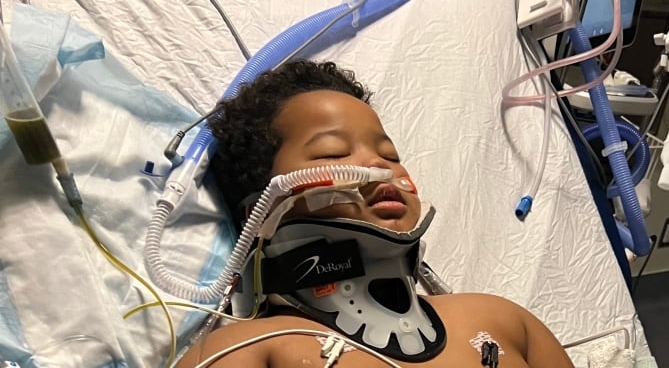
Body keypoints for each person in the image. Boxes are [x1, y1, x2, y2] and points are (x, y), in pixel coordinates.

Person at [178, 60, 574, 367]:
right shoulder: (245, 350)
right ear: (261, 210)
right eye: (333, 153)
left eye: (390, 156)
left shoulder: (503, 321)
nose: (378, 167)